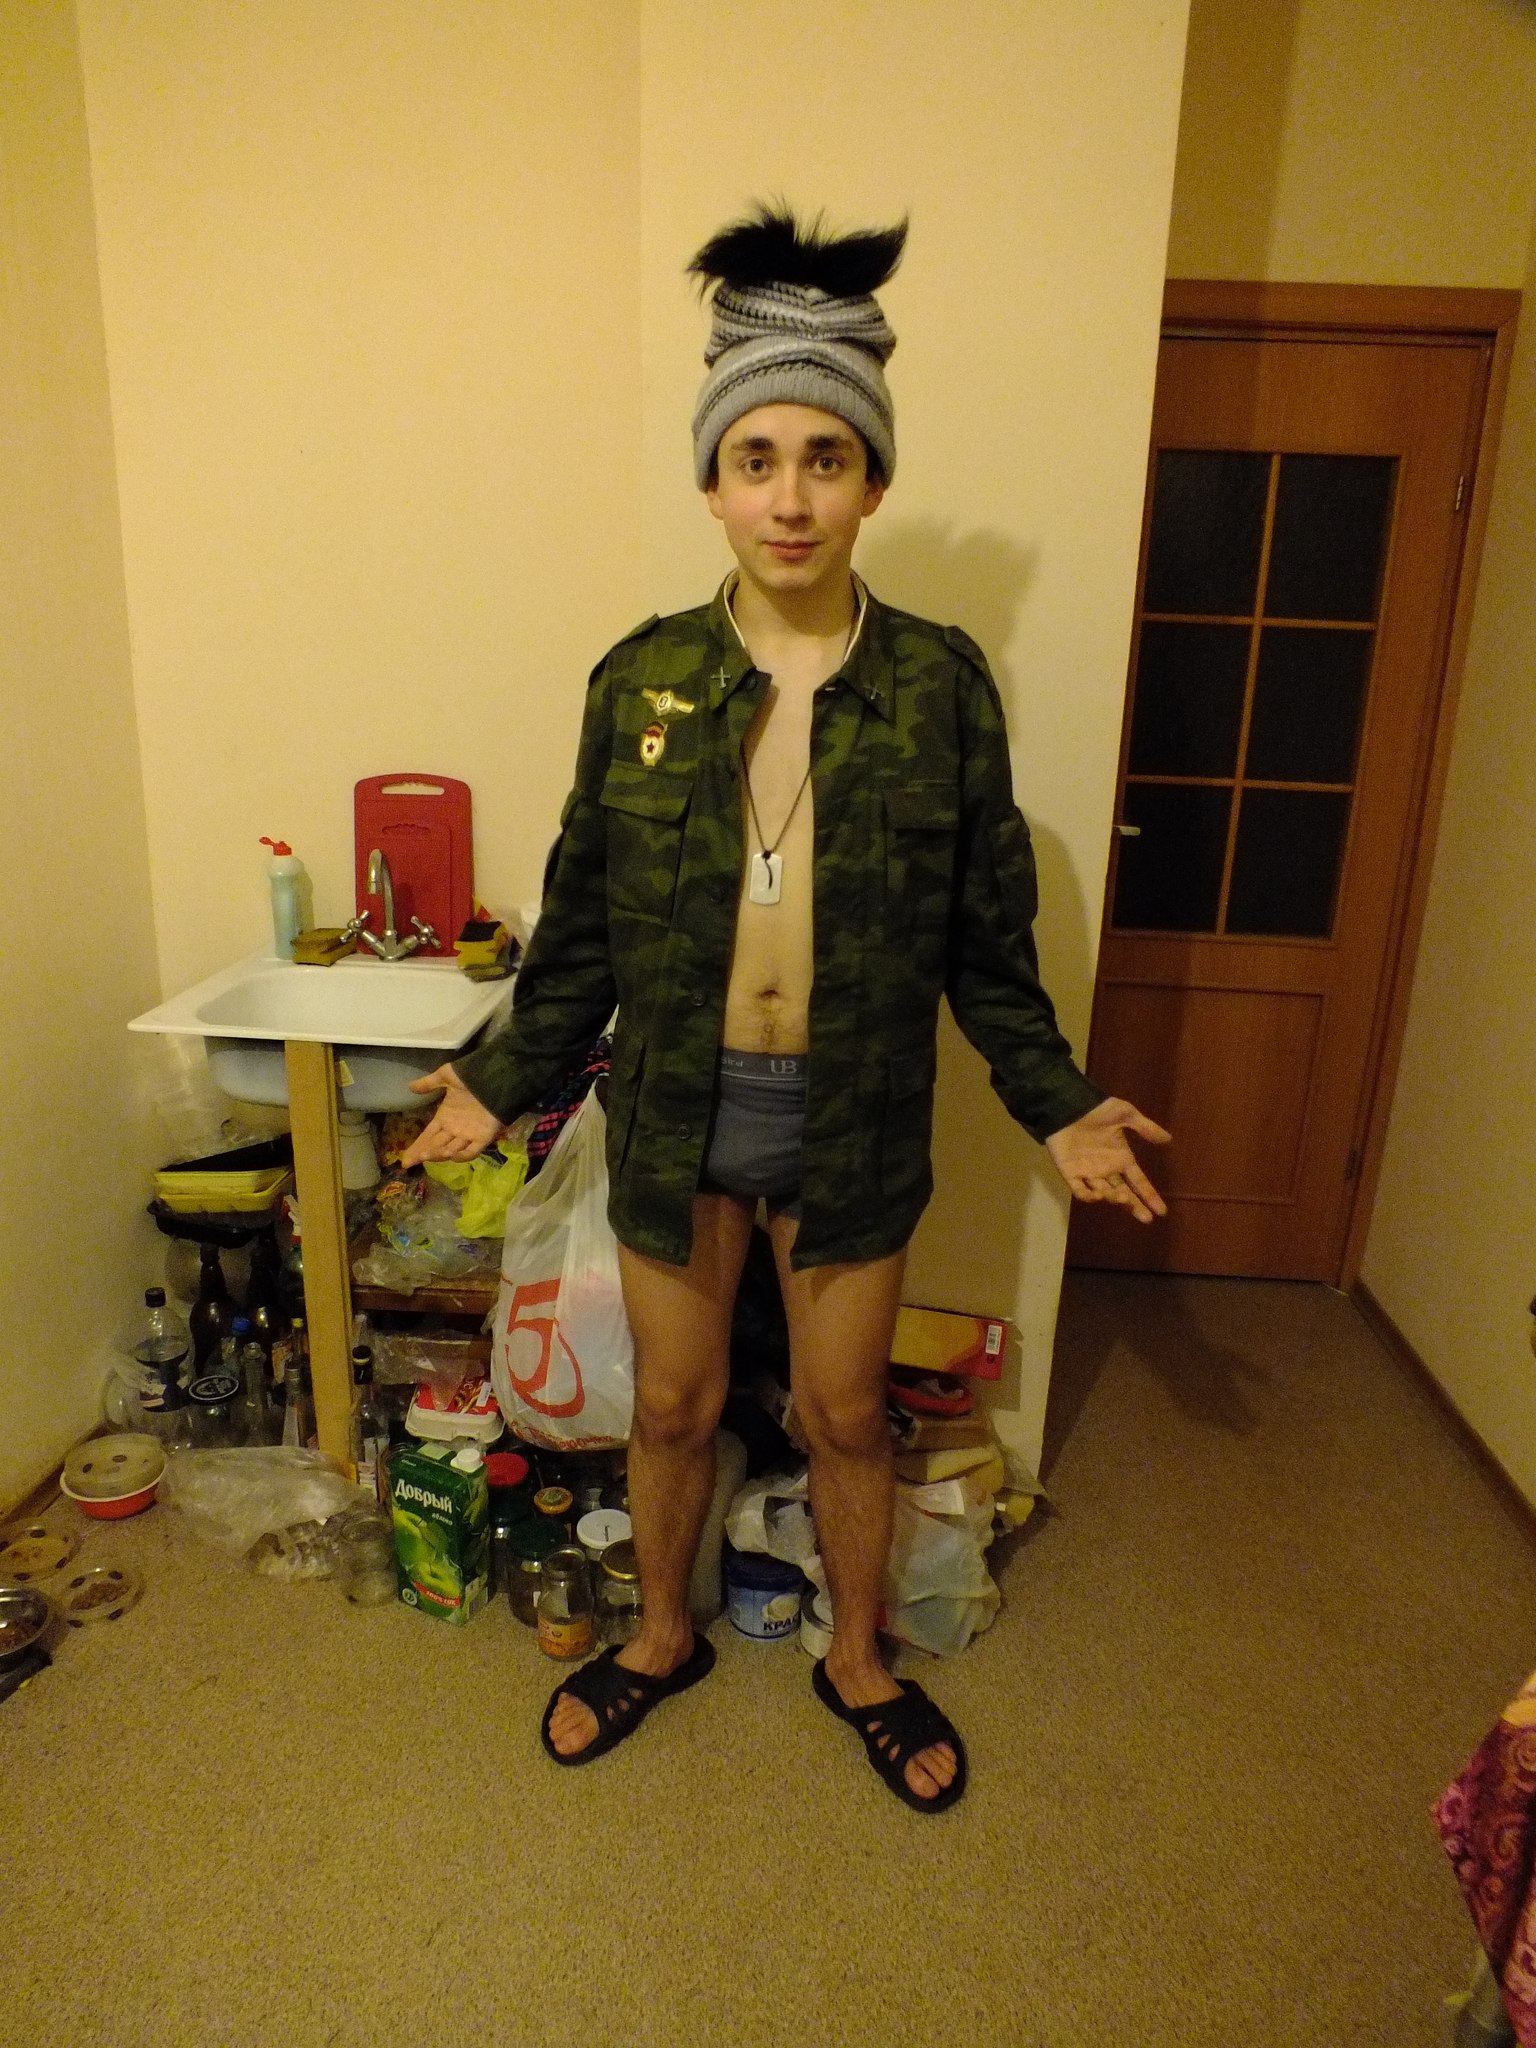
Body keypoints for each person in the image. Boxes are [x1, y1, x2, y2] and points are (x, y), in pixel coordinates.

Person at [402, 204, 1169, 1813]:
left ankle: (861, 1660)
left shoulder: (941, 686)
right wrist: (496, 1075)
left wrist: (1057, 1101)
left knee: (842, 1411)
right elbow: (584, 931)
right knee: (676, 1401)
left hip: (854, 1117)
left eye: (827, 457)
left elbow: (988, 947)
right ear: (713, 481)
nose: (792, 496)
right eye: (757, 459)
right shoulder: (643, 682)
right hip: (675, 1109)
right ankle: (661, 1634)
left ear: (873, 478)